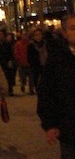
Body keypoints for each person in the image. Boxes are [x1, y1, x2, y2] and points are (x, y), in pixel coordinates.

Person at [37, 15, 75, 159]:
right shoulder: (57, 60)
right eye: (73, 29)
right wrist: (50, 125)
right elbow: (46, 94)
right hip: (70, 130)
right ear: (64, 33)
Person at [28, 27, 48, 92]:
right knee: (38, 84)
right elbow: (30, 58)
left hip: (46, 67)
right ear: (33, 37)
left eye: (39, 34)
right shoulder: (31, 46)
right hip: (36, 68)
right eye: (36, 35)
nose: (38, 36)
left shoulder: (46, 44)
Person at [14, 30, 34, 94]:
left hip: (28, 62)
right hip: (22, 62)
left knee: (30, 77)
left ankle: (31, 89)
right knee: (23, 77)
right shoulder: (19, 44)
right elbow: (17, 53)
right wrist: (18, 59)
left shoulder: (30, 44)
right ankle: (23, 85)